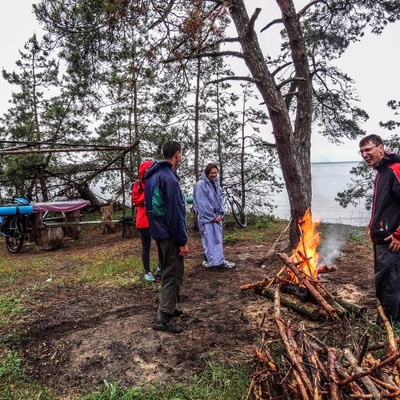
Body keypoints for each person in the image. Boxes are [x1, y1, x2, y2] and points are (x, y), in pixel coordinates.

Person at [144, 141, 189, 334]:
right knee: (172, 273)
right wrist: (182, 240)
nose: (180, 156)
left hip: (158, 231)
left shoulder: (153, 175)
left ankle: (170, 307)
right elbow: (175, 212)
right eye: (180, 154)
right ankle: (162, 318)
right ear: (177, 154)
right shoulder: (168, 178)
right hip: (169, 233)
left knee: (172, 271)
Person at [359, 134, 400, 327]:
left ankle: (386, 326)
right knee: (387, 280)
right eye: (361, 151)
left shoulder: (395, 169)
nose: (364, 154)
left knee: (388, 283)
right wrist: (372, 227)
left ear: (381, 148)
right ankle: (394, 322)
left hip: (392, 240)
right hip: (381, 237)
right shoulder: (381, 171)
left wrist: (399, 234)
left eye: (368, 149)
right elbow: (382, 205)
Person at [193, 163, 235, 269]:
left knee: (217, 240)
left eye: (216, 173)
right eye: (212, 173)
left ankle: (219, 260)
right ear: (207, 173)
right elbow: (202, 203)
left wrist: (221, 213)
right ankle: (208, 260)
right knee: (208, 240)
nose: (214, 175)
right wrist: (212, 216)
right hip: (207, 218)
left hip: (217, 217)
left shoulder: (216, 184)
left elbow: (220, 199)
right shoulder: (200, 185)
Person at [131, 160, 162, 282]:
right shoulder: (137, 185)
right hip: (143, 221)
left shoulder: (157, 182)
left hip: (157, 218)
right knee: (146, 246)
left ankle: (161, 267)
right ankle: (147, 271)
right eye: (147, 170)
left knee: (161, 244)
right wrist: (147, 194)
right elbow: (136, 200)